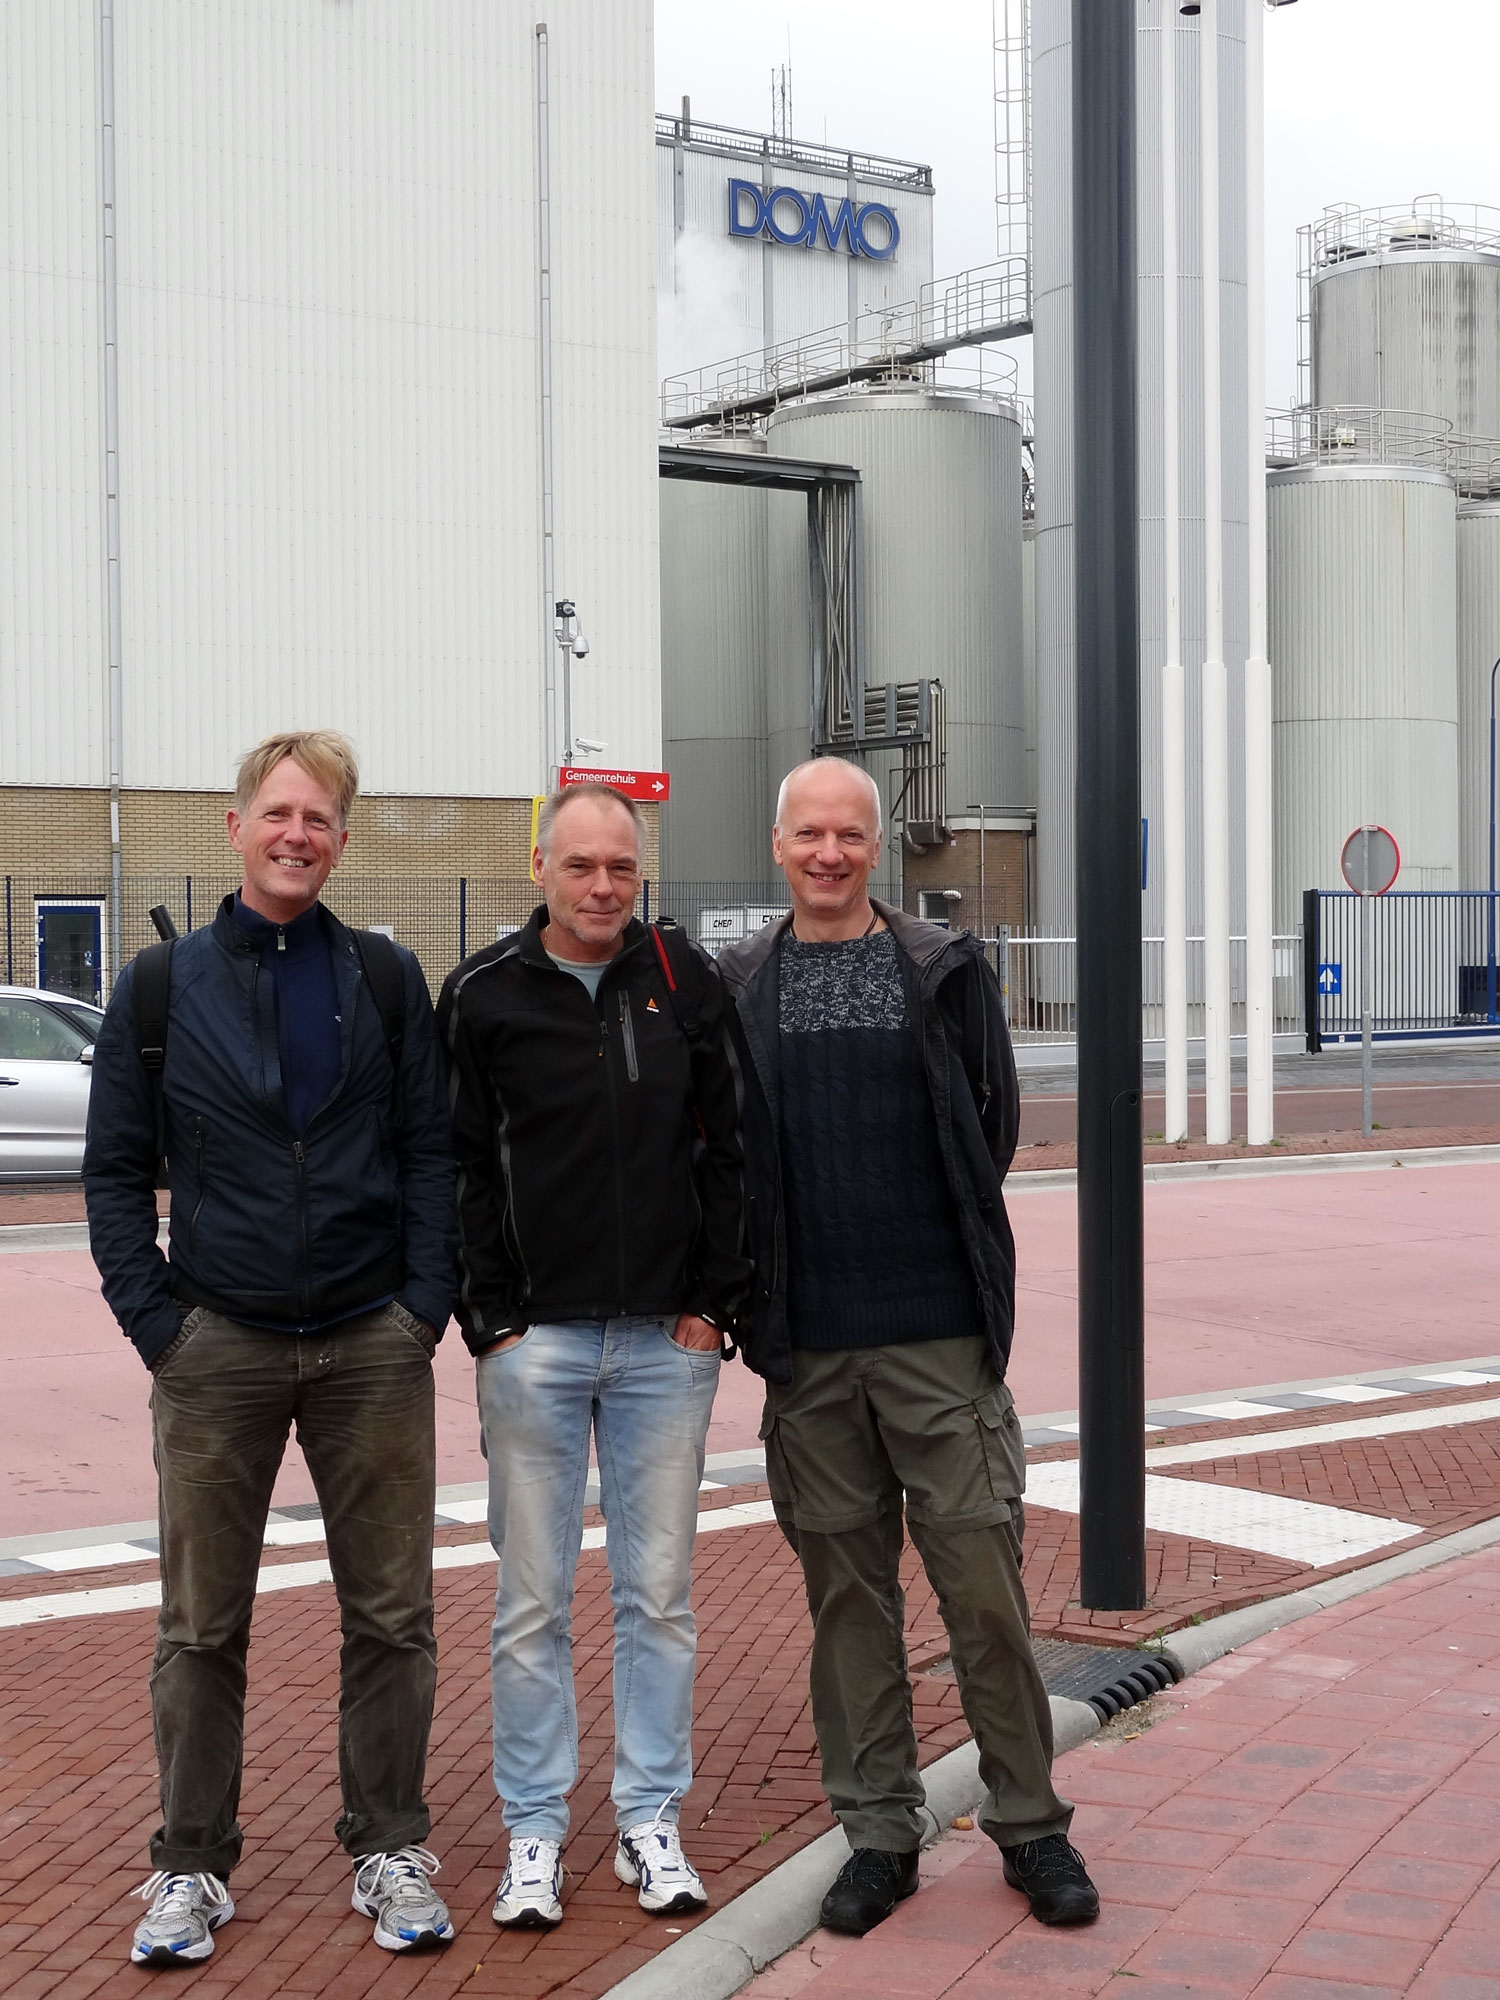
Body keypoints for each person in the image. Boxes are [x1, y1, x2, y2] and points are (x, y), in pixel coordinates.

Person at [84, 731, 458, 1966]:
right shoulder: (159, 986)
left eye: (321, 817)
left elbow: (430, 1153)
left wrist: (422, 1307)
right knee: (200, 1626)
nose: (299, 833)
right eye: (280, 812)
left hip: (371, 1341)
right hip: (218, 1344)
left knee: (393, 1616)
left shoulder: (385, 978)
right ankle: (190, 1861)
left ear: (341, 840)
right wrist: (160, 1326)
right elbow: (114, 1173)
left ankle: (390, 1842)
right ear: (236, 824)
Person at [717, 757, 1100, 1938]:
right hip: (810, 1351)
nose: (829, 852)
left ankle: (1029, 1821)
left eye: (849, 834)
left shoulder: (940, 967)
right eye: (809, 834)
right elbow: (725, 1152)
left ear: (874, 847)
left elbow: (990, 1122)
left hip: (939, 1338)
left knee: (984, 1591)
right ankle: (879, 1834)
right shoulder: (739, 987)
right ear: (778, 844)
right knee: (850, 1607)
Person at [437, 784, 749, 1930]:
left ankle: (648, 1818)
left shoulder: (682, 979)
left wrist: (713, 1304)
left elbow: (735, 1144)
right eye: (581, 865)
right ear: (540, 866)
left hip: (668, 1340)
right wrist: (493, 1318)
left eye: (621, 865)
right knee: (531, 1602)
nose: (604, 886)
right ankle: (534, 1829)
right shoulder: (481, 994)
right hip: (538, 1343)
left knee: (657, 1596)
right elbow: (457, 1166)